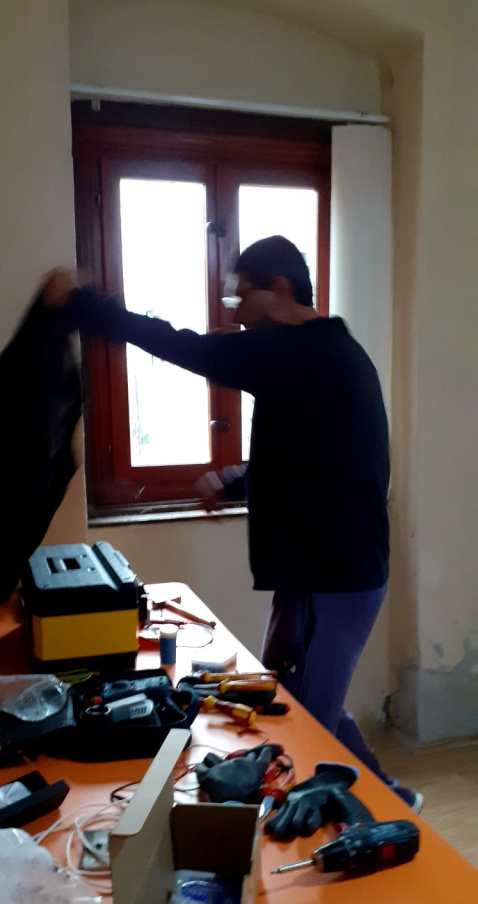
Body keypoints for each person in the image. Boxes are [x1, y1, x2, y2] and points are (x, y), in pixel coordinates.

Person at [43, 236, 422, 810]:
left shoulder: (302, 351)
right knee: (297, 698)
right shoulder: (324, 354)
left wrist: (83, 306)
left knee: (299, 727)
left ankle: (361, 821)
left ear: (280, 290)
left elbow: (185, 347)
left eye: (241, 295)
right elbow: (315, 456)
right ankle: (391, 798)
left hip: (334, 577)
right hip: (327, 572)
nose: (235, 312)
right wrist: (233, 480)